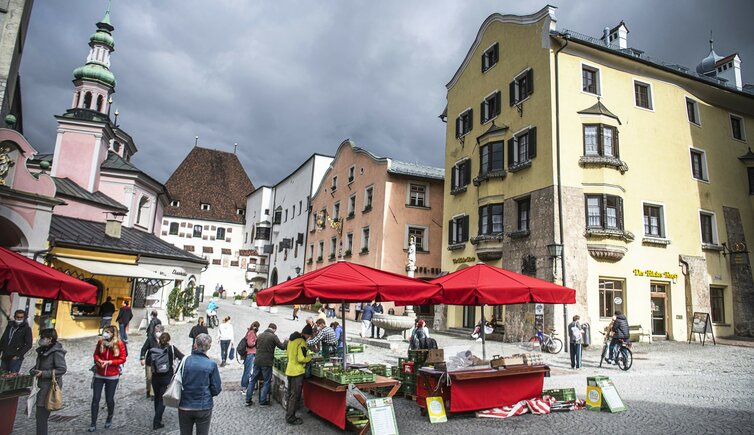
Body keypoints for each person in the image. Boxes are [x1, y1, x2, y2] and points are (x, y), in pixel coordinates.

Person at [179, 333, 221, 435]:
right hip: (203, 406)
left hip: (185, 404)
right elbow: (216, 389)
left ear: (195, 345)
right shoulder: (211, 364)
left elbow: (177, 380)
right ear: (209, 347)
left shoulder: (184, 361)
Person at [89, 325, 127, 432]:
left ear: (113, 334)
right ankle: (93, 422)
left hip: (112, 375)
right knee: (95, 398)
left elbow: (122, 359)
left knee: (109, 399)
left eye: (108, 332)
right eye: (105, 331)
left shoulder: (119, 344)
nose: (106, 334)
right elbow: (96, 354)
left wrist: (110, 362)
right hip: (99, 374)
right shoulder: (101, 342)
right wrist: (98, 361)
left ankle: (109, 417)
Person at [32, 328, 67, 435]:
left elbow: (62, 369)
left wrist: (43, 373)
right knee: (40, 416)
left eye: (43, 337)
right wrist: (34, 370)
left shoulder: (56, 352)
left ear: (50, 339)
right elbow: (40, 365)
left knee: (41, 416)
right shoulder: (43, 349)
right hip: (41, 386)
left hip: (49, 388)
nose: (41, 339)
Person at [147, 332, 184, 430]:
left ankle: (158, 418)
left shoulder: (153, 350)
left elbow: (148, 362)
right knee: (162, 400)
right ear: (168, 340)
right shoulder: (171, 349)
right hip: (167, 377)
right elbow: (183, 357)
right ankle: (156, 421)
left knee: (157, 398)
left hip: (155, 378)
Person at [246, 323, 286, 406]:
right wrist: (286, 341)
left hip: (257, 360)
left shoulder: (260, 335)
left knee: (253, 380)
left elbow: (256, 346)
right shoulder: (273, 336)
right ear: (274, 329)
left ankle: (248, 399)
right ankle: (263, 401)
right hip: (267, 362)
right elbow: (282, 347)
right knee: (266, 381)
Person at [285, 325, 313, 426]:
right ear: (307, 334)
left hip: (289, 369)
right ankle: (291, 417)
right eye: (309, 336)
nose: (309, 338)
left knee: (290, 394)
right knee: (294, 395)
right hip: (297, 372)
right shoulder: (301, 342)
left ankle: (288, 413)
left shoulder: (292, 340)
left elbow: (288, 354)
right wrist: (309, 358)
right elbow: (301, 359)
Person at [140, 324, 165, 398]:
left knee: (157, 378)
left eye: (159, 331)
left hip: (159, 362)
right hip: (150, 361)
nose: (157, 333)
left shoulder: (164, 339)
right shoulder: (150, 339)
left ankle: (154, 393)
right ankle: (148, 390)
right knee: (149, 378)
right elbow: (144, 349)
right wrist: (142, 358)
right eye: (156, 331)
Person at [240, 321, 259, 394]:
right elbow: (250, 343)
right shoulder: (252, 332)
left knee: (247, 371)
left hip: (249, 353)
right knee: (248, 371)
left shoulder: (250, 332)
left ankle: (244, 387)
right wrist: (256, 342)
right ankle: (244, 388)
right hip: (250, 353)